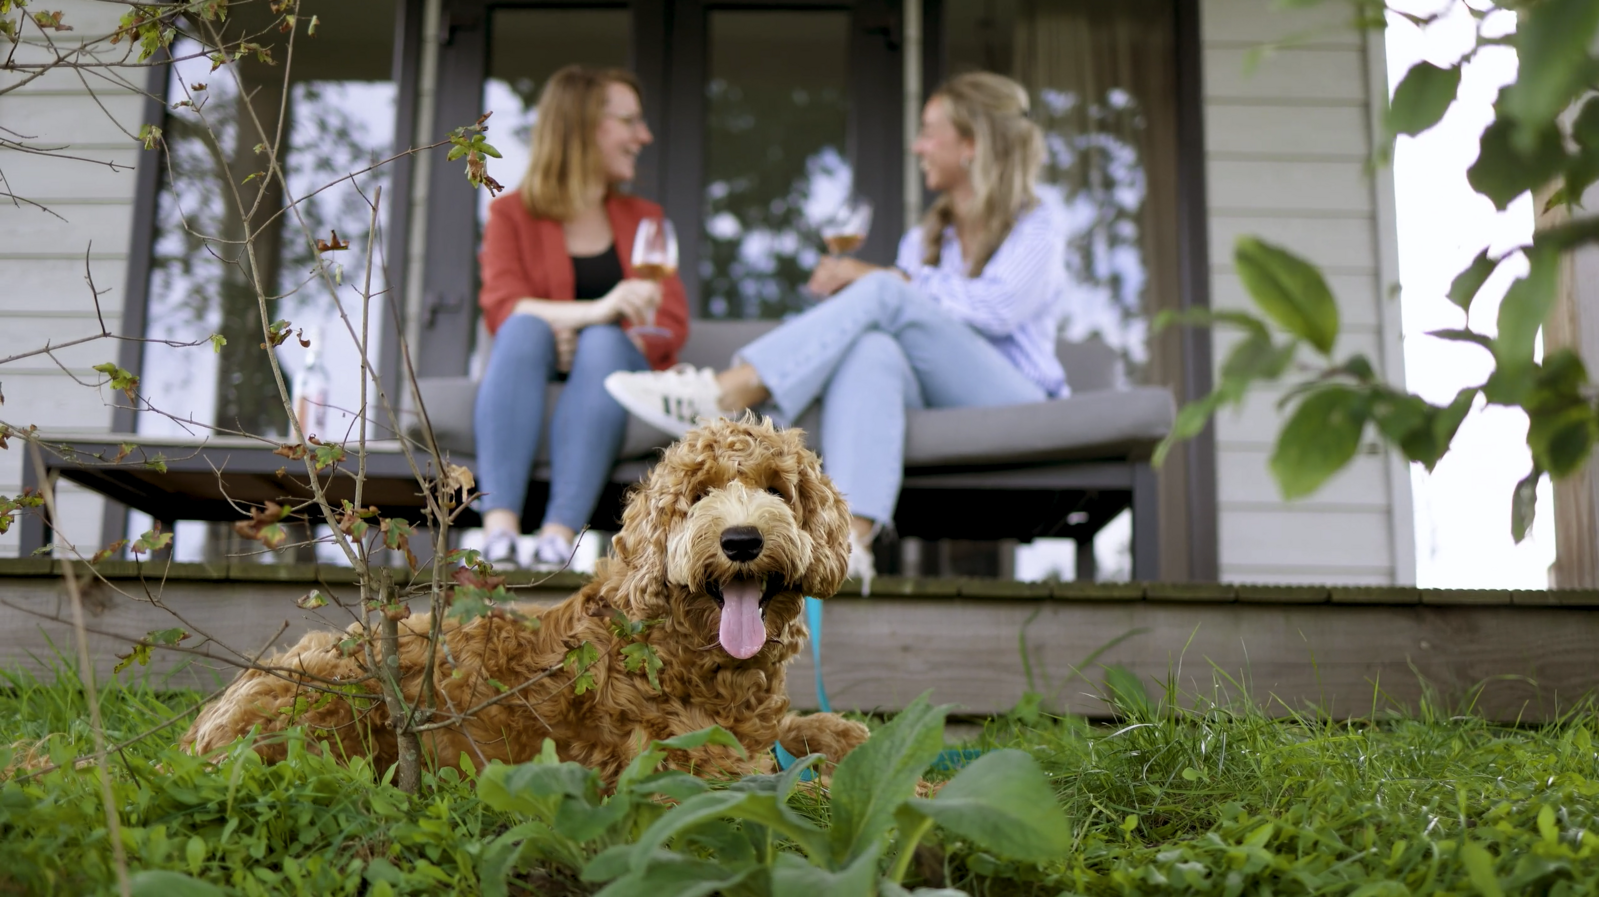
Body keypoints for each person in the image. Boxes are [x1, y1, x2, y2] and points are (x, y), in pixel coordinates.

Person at [605, 71, 1067, 591]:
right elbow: (907, 323)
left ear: (972, 144)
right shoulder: (925, 238)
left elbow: (996, 307)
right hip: (931, 391)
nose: (917, 145)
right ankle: (854, 545)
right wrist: (868, 296)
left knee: (887, 296)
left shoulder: (1038, 224)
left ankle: (723, 391)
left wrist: (882, 282)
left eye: (929, 130)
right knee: (872, 348)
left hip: (1015, 396)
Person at [475, 65, 689, 569]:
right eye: (630, 121)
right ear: (583, 126)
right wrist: (596, 311)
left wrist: (590, 329)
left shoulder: (645, 220)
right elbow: (503, 308)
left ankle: (557, 535)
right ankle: (498, 530)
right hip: (534, 357)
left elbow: (670, 323)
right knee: (525, 330)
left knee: (600, 343)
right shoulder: (512, 215)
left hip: (616, 370)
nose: (645, 136)